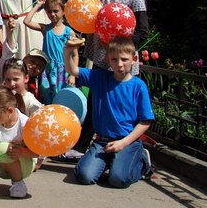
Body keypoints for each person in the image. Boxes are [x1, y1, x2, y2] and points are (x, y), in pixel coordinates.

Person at [65, 35, 154, 188]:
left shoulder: (138, 86)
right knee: (84, 176)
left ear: (134, 59)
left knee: (118, 180)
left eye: (124, 59)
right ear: (108, 59)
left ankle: (141, 162)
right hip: (102, 141)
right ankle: (112, 162)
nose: (119, 64)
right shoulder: (100, 77)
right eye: (114, 59)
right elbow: (72, 69)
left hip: (127, 141)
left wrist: (123, 143)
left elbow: (145, 121)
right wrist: (68, 50)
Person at [23, 0, 73, 103]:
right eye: (49, 11)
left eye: (56, 11)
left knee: (61, 97)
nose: (53, 14)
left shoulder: (69, 32)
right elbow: (26, 21)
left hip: (63, 70)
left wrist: (73, 74)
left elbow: (74, 55)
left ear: (63, 11)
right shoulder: (46, 29)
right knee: (46, 98)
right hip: (47, 69)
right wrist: (38, 4)